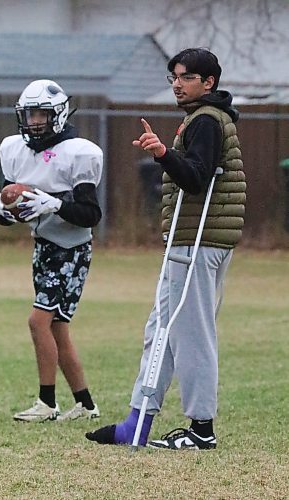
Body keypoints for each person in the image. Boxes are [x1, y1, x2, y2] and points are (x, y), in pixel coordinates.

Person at [86, 48, 246, 450]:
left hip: (197, 242)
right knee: (160, 330)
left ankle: (201, 430)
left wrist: (162, 154)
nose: (177, 83)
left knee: (192, 335)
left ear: (208, 82)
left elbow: (196, 178)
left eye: (186, 77)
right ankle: (137, 423)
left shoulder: (207, 121)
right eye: (173, 76)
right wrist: (167, 153)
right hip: (191, 242)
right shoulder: (201, 118)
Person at [0, 79, 103, 422]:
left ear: (57, 114)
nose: (33, 122)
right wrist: (3, 211)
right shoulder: (14, 150)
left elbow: (91, 215)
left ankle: (47, 403)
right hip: (43, 246)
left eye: (40, 114)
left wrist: (54, 204)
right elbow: (6, 212)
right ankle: (86, 405)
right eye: (29, 115)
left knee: (38, 321)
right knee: (57, 328)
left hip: (70, 249)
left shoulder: (79, 152)